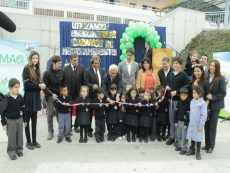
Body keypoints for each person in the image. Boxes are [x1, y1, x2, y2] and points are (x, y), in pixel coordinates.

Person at [22, 51, 46, 150]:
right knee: (27, 120)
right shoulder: (26, 68)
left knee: (34, 120)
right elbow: (26, 86)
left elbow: (38, 84)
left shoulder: (36, 69)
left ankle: (34, 140)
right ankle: (28, 141)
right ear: (30, 58)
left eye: (36, 58)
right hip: (28, 97)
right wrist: (39, 85)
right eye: (33, 58)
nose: (35, 60)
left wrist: (41, 85)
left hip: (35, 97)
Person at [203, 59, 226, 153]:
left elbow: (223, 93)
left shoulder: (220, 78)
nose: (212, 67)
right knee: (206, 125)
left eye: (214, 66)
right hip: (206, 105)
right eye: (211, 65)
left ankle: (211, 146)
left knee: (212, 126)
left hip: (215, 106)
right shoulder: (206, 76)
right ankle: (207, 144)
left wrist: (213, 97)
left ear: (217, 68)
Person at [1, 78, 27, 160]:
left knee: (20, 136)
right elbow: (2, 112)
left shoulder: (20, 97)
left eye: (18, 87)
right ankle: (11, 151)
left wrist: (25, 120)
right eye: (15, 87)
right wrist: (3, 123)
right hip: (10, 120)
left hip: (19, 119)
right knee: (11, 137)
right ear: (10, 88)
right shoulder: (5, 98)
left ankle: (19, 150)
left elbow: (23, 109)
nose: (17, 89)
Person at [166, 56, 188, 145]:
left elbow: (186, 87)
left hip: (179, 101)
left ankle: (178, 139)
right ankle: (172, 136)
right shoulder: (171, 74)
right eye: (174, 63)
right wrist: (167, 87)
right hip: (170, 100)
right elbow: (169, 83)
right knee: (171, 119)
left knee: (177, 120)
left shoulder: (183, 75)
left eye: (177, 63)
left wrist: (177, 92)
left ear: (181, 65)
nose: (175, 65)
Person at [43, 55, 64, 140]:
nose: (60, 65)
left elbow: (64, 84)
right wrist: (52, 94)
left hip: (59, 96)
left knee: (59, 113)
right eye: (58, 63)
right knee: (50, 113)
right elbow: (45, 86)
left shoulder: (62, 71)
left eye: (60, 63)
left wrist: (63, 94)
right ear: (53, 63)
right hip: (50, 96)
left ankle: (61, 131)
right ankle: (50, 131)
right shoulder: (47, 73)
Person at [84, 55, 105, 137]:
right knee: (89, 114)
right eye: (95, 63)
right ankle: (89, 130)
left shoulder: (102, 70)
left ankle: (99, 130)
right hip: (91, 96)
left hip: (100, 96)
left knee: (99, 114)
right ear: (92, 63)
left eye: (98, 63)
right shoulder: (87, 71)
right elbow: (86, 82)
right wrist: (92, 86)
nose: (97, 65)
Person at [63, 54, 84, 133]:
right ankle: (69, 126)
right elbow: (64, 82)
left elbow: (83, 81)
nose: (76, 62)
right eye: (74, 60)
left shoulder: (81, 68)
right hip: (69, 93)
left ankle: (76, 125)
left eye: (77, 60)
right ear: (71, 60)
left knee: (78, 109)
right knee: (69, 110)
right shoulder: (65, 69)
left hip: (78, 93)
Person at [186, 86, 207, 160]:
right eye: (193, 93)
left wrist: (201, 125)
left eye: (195, 93)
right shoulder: (192, 101)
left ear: (200, 94)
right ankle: (192, 150)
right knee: (192, 136)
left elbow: (204, 115)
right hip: (192, 123)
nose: (193, 95)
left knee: (198, 138)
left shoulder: (203, 103)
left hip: (198, 124)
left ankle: (198, 152)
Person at [158, 57, 173, 139]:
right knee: (163, 115)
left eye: (165, 64)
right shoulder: (160, 72)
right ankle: (161, 132)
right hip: (162, 96)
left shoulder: (172, 71)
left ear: (169, 63)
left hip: (170, 96)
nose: (164, 66)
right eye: (162, 64)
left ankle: (169, 133)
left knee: (169, 115)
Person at [174, 86, 190, 155]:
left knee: (184, 136)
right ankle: (180, 145)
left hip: (184, 122)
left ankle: (184, 148)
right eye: (181, 95)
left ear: (187, 95)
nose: (183, 97)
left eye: (184, 95)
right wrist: (175, 121)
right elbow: (176, 112)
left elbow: (188, 114)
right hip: (179, 121)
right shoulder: (178, 102)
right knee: (179, 135)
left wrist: (186, 124)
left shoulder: (188, 103)